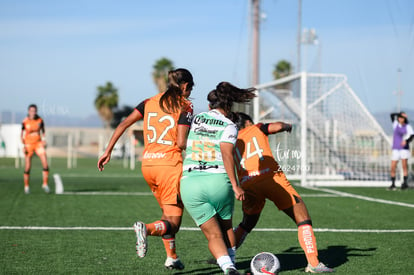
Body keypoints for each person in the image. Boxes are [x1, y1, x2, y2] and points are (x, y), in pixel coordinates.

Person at [97, 68, 194, 270]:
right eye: (190, 88)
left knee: (167, 216)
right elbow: (182, 142)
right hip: (169, 166)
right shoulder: (185, 106)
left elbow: (124, 123)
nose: (190, 92)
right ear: (184, 86)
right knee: (174, 223)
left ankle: (172, 257)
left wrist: (107, 151)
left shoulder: (149, 102)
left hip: (148, 165)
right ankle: (146, 229)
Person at [232, 112, 334, 273]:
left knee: (247, 223)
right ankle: (313, 263)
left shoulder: (232, 139)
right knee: (303, 218)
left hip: (248, 184)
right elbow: (277, 126)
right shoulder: (257, 128)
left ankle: (225, 258)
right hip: (271, 179)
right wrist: (287, 126)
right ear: (248, 121)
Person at [180, 82, 255, 275]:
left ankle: (227, 267)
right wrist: (237, 186)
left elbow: (180, 141)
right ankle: (232, 263)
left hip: (190, 182)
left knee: (213, 234)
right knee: (226, 228)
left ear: (209, 106)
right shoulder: (229, 125)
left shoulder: (196, 119)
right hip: (218, 182)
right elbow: (227, 154)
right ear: (229, 106)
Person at [21, 104, 50, 194]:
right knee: (28, 166)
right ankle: (26, 186)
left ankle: (45, 184)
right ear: (28, 111)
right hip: (28, 145)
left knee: (45, 163)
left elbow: (43, 132)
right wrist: (24, 145)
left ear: (36, 111)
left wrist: (44, 140)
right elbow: (21, 134)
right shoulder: (25, 122)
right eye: (31, 111)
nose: (33, 112)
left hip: (38, 144)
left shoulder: (40, 120)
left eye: (34, 111)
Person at [389, 111, 414, 190]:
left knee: (404, 166)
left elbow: (412, 135)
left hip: (404, 149)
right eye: (399, 117)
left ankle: (405, 183)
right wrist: (399, 113)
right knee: (393, 166)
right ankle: (393, 183)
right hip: (396, 148)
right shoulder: (395, 124)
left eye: (402, 118)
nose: (400, 119)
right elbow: (392, 115)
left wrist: (406, 141)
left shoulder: (407, 126)